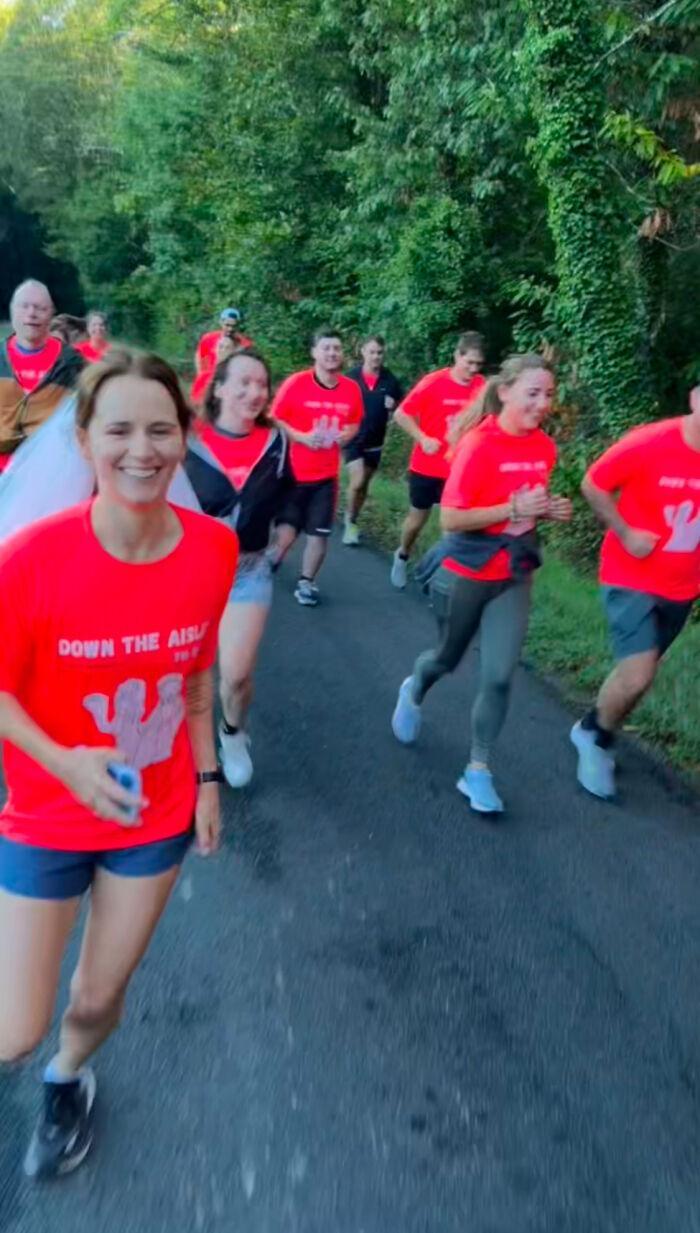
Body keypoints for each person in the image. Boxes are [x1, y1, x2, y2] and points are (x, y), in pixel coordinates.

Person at [0, 348, 238, 1180]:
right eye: (121, 430)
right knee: (12, 1029)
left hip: (155, 810)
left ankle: (70, 1080)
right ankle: (42, 1054)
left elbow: (197, 668)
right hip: (45, 814)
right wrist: (61, 761)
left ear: (186, 439)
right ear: (85, 438)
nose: (143, 450)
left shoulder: (212, 548)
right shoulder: (30, 558)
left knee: (97, 998)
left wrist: (209, 777)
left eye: (161, 430)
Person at [391, 354, 572, 814]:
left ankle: (478, 770)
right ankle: (414, 688)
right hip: (469, 573)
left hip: (513, 574)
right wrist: (513, 508)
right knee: (446, 660)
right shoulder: (478, 444)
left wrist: (546, 510)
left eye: (549, 394)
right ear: (506, 391)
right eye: (533, 393)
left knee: (498, 677)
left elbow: (527, 508)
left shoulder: (544, 447)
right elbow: (451, 518)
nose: (542, 403)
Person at [571, 387, 700, 800]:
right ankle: (596, 742)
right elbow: (593, 483)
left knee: (638, 678)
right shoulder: (651, 441)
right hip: (630, 576)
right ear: (695, 398)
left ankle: (592, 726)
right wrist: (625, 532)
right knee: (639, 672)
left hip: (683, 587)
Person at [185, 348, 293, 787]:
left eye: (262, 384)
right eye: (244, 383)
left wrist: (287, 529)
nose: (255, 392)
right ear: (220, 388)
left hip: (248, 572)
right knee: (189, 670)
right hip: (189, 573)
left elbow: (291, 494)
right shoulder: (188, 439)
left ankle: (232, 731)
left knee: (236, 672)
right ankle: (197, 750)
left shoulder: (276, 441)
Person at [270, 327, 363, 605]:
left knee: (319, 534)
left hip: (326, 476)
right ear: (314, 352)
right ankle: (272, 560)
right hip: (293, 474)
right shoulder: (296, 383)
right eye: (326, 348)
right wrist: (301, 437)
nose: (332, 353)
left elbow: (355, 421)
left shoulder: (351, 389)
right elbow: (275, 418)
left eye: (336, 348)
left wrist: (348, 434)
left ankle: (307, 582)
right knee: (286, 535)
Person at [390, 332, 487, 588]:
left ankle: (440, 582)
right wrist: (422, 437)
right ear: (458, 355)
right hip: (426, 466)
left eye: (478, 365)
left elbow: (488, 424)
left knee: (452, 530)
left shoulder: (482, 388)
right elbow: (401, 414)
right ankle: (401, 555)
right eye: (470, 363)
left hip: (458, 470)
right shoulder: (433, 382)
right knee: (416, 521)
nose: (473, 369)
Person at [0, 279, 84, 472]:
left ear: (51, 314)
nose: (31, 313)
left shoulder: (73, 363)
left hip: (48, 473)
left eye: (40, 308)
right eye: (24, 306)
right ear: (12, 310)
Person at [342, 335, 403, 546]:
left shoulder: (390, 380)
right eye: (372, 352)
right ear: (363, 352)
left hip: (376, 440)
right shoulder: (350, 378)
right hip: (353, 438)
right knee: (357, 480)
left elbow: (401, 408)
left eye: (379, 352)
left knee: (364, 484)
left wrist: (392, 408)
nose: (376, 356)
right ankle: (349, 522)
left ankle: (354, 517)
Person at [191, 308, 251, 401]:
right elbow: (200, 356)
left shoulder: (245, 344)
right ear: (221, 323)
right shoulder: (209, 339)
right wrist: (201, 375)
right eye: (227, 325)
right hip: (210, 379)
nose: (230, 329)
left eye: (233, 326)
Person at [189, 334, 237, 410]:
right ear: (215, 349)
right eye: (220, 346)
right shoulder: (203, 377)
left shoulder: (236, 377)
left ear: (233, 352)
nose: (223, 350)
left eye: (227, 348)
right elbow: (194, 406)